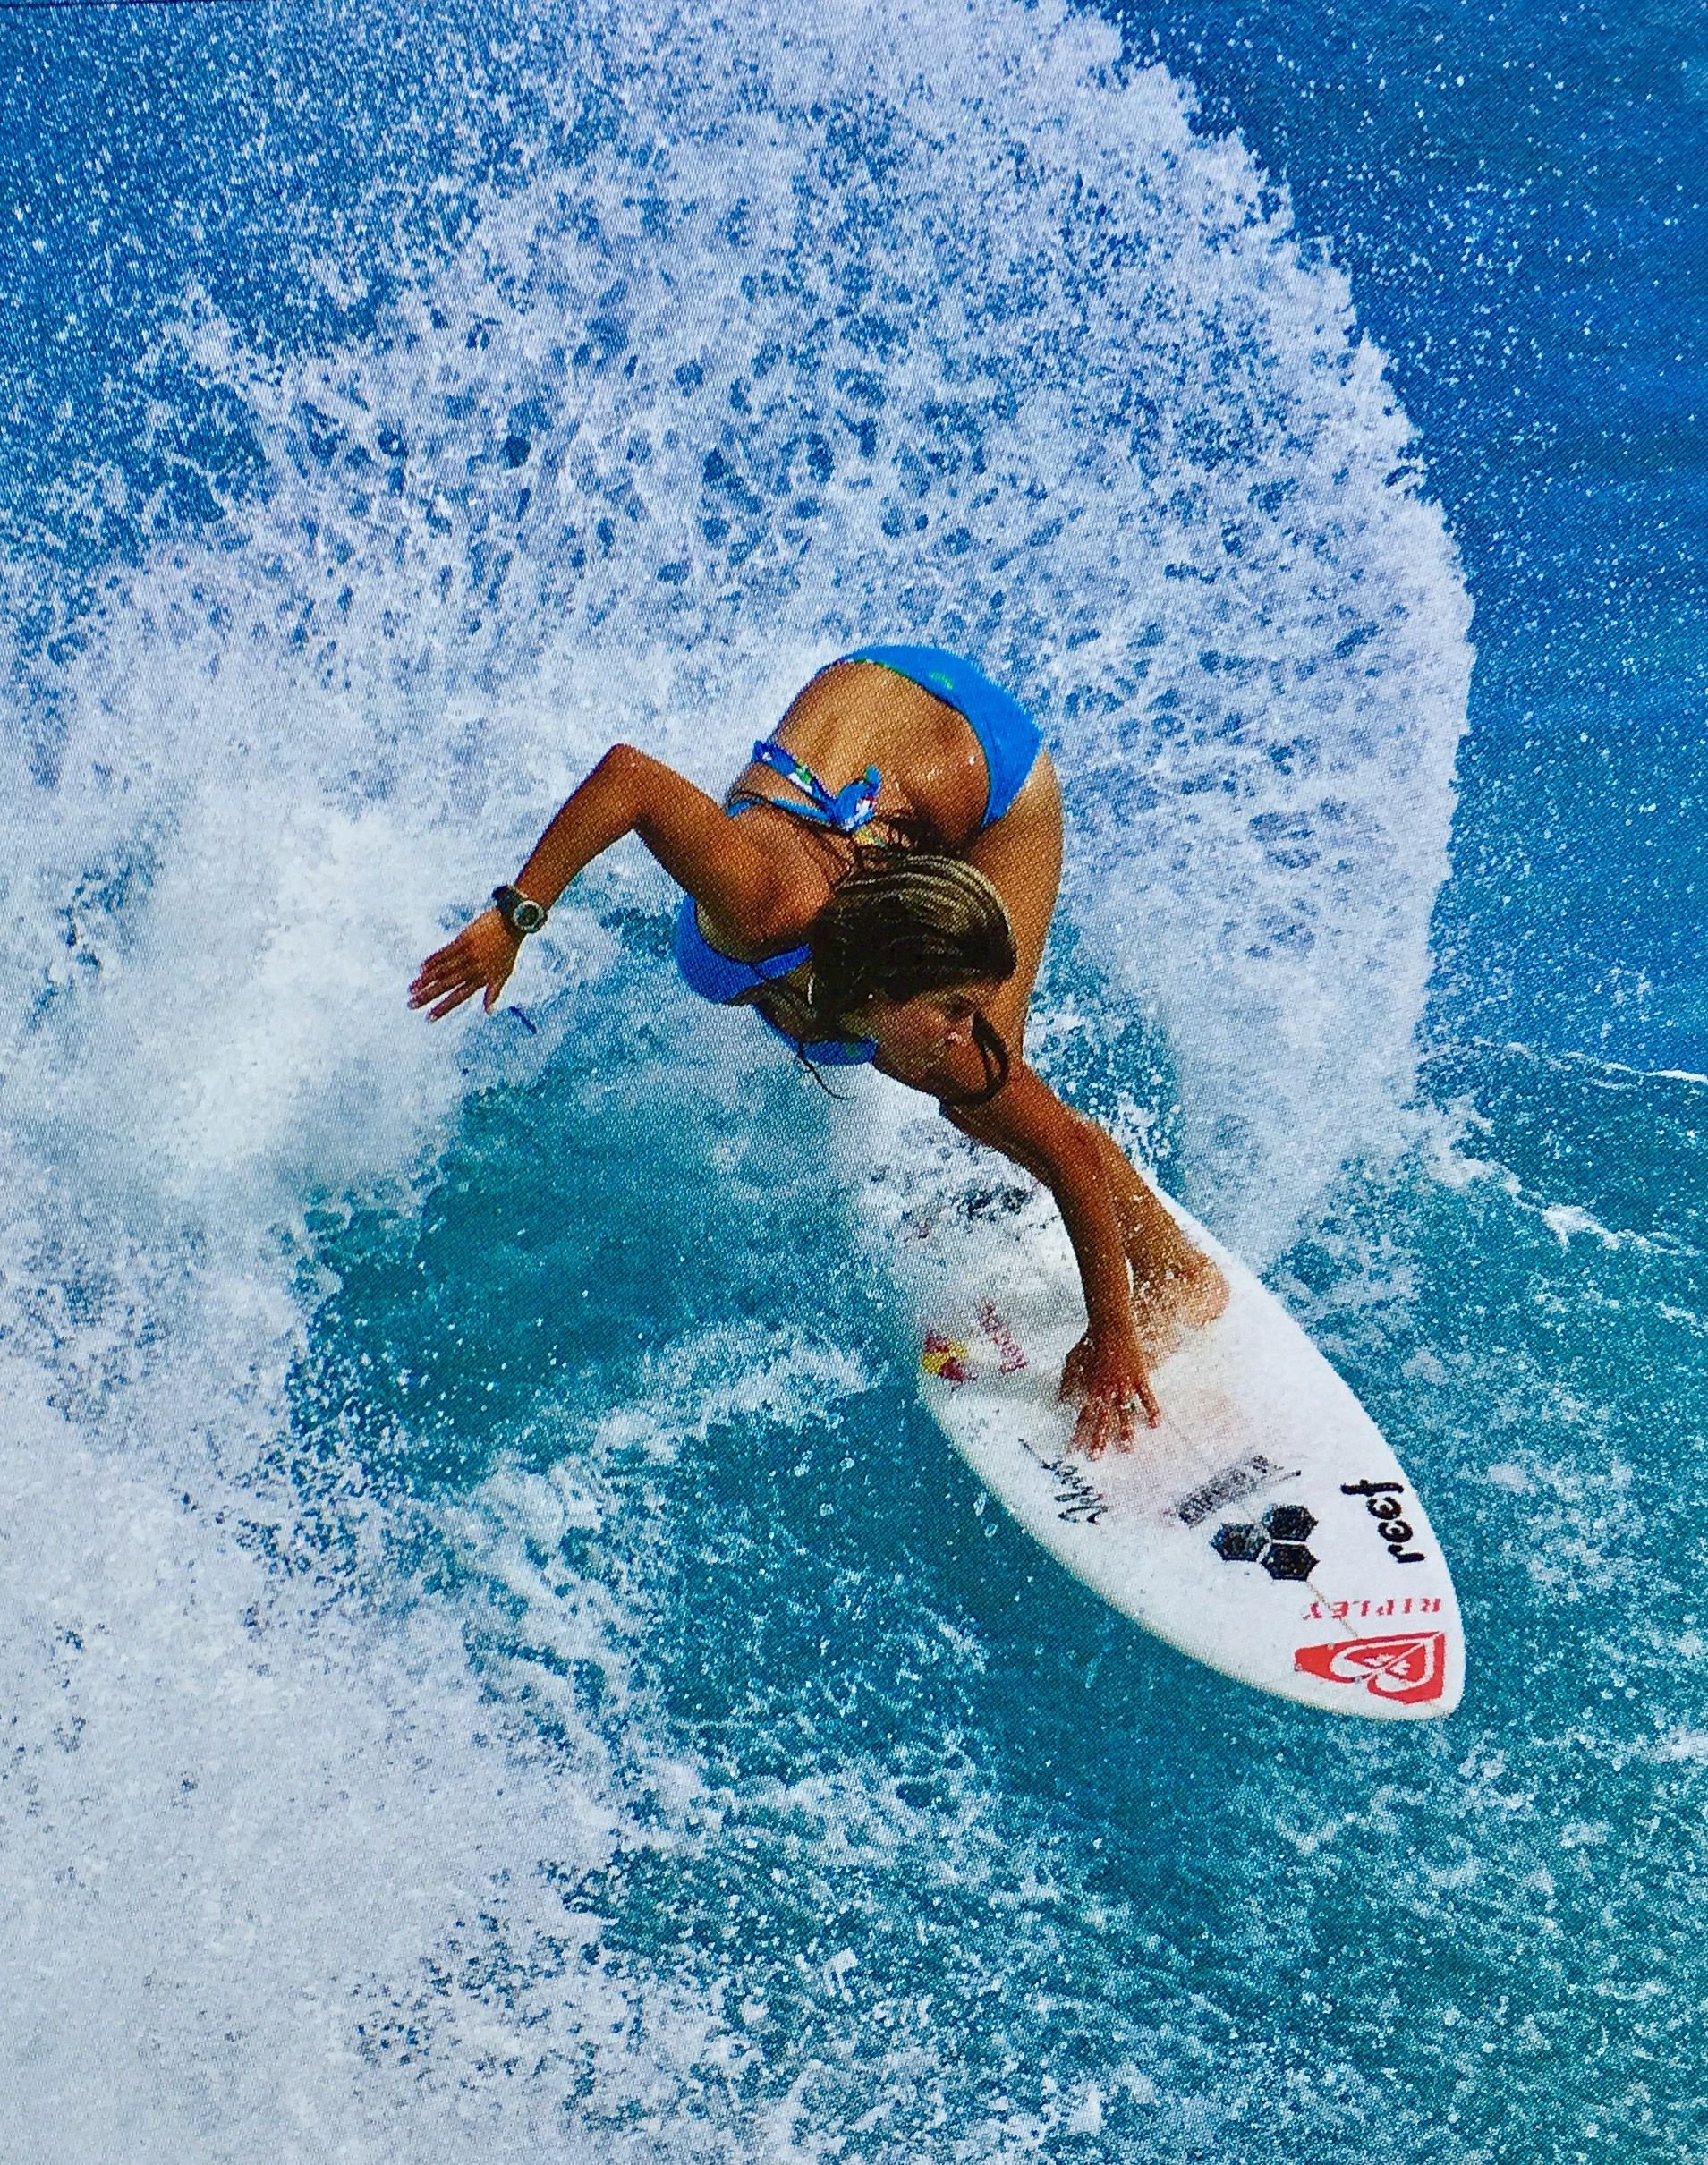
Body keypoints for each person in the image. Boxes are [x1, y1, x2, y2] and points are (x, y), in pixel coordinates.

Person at [408, 643, 1227, 1453]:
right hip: (877, 713)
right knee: (965, 1079)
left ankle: (1176, 1271)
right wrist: (514, 918)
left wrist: (1112, 1331)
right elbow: (628, 777)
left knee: (986, 1096)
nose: (959, 1028)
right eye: (947, 1005)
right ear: (883, 985)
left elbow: (1068, 1151)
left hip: (985, 766)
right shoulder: (765, 901)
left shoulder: (916, 1021)